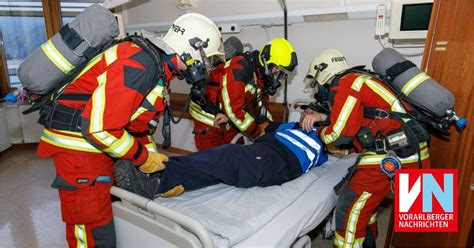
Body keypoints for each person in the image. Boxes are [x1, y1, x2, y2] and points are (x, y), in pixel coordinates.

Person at [36, 13, 224, 247]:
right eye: (207, 60)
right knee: (94, 231)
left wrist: (155, 177)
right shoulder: (139, 64)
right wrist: (143, 158)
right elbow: (99, 128)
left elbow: (137, 127)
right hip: (79, 151)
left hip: (96, 145)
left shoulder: (157, 67)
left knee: (110, 211)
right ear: (194, 49)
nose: (206, 68)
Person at [299, 49, 431, 247]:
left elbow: (340, 134)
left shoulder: (344, 84)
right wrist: (322, 117)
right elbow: (360, 118)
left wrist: (318, 132)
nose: (319, 89)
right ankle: (369, 243)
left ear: (323, 73)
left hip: (391, 154)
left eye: (317, 83)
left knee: (348, 206)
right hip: (414, 149)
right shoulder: (361, 78)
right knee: (422, 219)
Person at [114, 106, 328, 199]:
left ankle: (160, 176)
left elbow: (346, 136)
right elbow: (261, 126)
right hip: (263, 150)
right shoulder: (288, 127)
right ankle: (159, 181)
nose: (307, 113)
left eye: (312, 111)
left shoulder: (326, 136)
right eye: (306, 110)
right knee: (220, 165)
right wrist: (230, 117)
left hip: (281, 161)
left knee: (230, 155)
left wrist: (323, 119)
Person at [190, 37, 298, 150]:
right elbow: (234, 110)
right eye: (278, 70)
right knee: (211, 159)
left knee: (237, 152)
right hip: (208, 115)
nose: (278, 77)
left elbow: (261, 106)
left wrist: (269, 128)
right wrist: (257, 132)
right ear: (266, 62)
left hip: (227, 114)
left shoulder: (260, 76)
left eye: (282, 74)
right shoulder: (238, 68)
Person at [189, 36, 245, 150]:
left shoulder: (229, 68)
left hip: (222, 117)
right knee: (208, 158)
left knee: (232, 151)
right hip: (206, 117)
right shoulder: (214, 65)